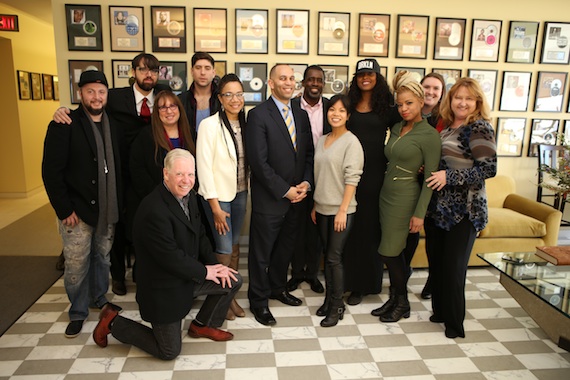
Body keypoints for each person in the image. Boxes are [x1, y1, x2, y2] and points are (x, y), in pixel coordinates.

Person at [92, 149, 242, 360]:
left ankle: (202, 325)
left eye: (191, 174)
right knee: (169, 351)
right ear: (165, 174)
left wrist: (215, 266)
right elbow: (169, 257)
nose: (186, 180)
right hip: (163, 288)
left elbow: (199, 235)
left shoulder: (188, 197)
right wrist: (204, 271)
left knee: (231, 279)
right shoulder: (154, 210)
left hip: (185, 277)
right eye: (179, 174)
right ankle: (113, 322)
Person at [53, 53, 171, 296]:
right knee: (117, 230)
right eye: (142, 69)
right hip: (119, 173)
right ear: (133, 72)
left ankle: (140, 273)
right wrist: (62, 110)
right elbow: (85, 112)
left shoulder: (164, 95)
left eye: (153, 70)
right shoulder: (115, 97)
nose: (148, 74)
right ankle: (117, 278)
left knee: (140, 227)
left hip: (150, 170)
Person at [42, 71, 122, 338]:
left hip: (107, 208)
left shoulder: (113, 124)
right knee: (76, 265)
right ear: (80, 94)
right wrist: (64, 209)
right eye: (90, 91)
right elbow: (51, 172)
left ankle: (99, 298)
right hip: (76, 211)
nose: (96, 97)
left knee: (102, 259)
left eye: (101, 92)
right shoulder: (64, 123)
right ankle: (77, 311)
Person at [425, 78, 497, 339]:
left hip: (464, 211)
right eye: (458, 97)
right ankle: (441, 312)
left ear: (477, 102)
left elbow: (488, 169)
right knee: (438, 265)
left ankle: (455, 324)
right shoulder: (446, 128)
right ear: (450, 99)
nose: (462, 102)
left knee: (454, 269)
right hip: (438, 210)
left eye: (469, 98)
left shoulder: (478, 128)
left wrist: (448, 177)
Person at [245, 64, 314, 326]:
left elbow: (307, 154)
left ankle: (277, 288)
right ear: (270, 83)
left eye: (292, 78)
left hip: (298, 197)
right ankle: (259, 301)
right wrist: (285, 190)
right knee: (261, 253)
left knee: (285, 248)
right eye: (282, 78)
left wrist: (306, 183)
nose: (288, 82)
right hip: (271, 199)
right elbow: (258, 162)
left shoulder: (301, 113)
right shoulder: (258, 115)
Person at [372, 71, 441, 323]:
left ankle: (402, 303)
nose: (403, 108)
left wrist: (419, 214)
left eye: (409, 103)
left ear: (422, 102)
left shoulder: (430, 135)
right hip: (386, 195)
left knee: (390, 253)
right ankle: (394, 299)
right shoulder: (397, 127)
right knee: (393, 253)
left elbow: (431, 179)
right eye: (400, 104)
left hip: (406, 198)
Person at [343, 58, 401, 305]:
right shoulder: (348, 103)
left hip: (375, 175)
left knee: (369, 229)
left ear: (378, 77)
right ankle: (349, 282)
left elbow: (406, 133)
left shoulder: (387, 106)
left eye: (370, 73)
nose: (365, 77)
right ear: (356, 78)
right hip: (347, 173)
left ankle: (367, 285)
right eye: (361, 74)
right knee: (350, 229)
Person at [196, 74, 248, 320]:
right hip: (219, 197)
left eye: (239, 94)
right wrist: (214, 206)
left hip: (240, 192)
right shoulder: (209, 125)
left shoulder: (246, 123)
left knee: (235, 246)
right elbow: (204, 167)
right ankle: (221, 299)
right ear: (220, 98)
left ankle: (231, 296)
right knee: (224, 248)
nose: (235, 99)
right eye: (229, 94)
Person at [312, 95, 364, 327]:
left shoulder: (351, 142)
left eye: (341, 111)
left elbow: (352, 178)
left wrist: (343, 210)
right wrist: (315, 204)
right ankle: (328, 300)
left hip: (341, 209)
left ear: (348, 115)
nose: (336, 114)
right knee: (327, 256)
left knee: (334, 258)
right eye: (332, 109)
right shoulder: (323, 139)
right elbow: (319, 176)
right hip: (321, 207)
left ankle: (337, 305)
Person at [401, 72, 447, 300]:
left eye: (435, 88)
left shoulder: (446, 119)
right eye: (426, 87)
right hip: (411, 186)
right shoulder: (409, 115)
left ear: (442, 93)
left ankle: (433, 281)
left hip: (437, 189)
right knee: (409, 236)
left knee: (433, 241)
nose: (430, 92)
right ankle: (403, 279)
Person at [287, 65, 331, 294]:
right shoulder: (292, 105)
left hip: (325, 176)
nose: (315, 83)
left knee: (316, 228)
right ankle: (296, 273)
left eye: (319, 80)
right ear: (303, 82)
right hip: (298, 176)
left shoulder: (332, 107)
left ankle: (313, 273)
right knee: (296, 226)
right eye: (311, 79)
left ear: (323, 84)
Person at [129, 91, 196, 212]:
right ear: (157, 111)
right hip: (158, 202)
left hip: (187, 198)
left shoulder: (190, 134)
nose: (169, 111)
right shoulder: (146, 136)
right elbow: (137, 170)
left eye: (173, 106)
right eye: (163, 107)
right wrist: (157, 195)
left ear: (179, 108)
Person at [179, 52, 220, 139]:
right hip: (188, 150)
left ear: (213, 73)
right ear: (192, 71)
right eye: (198, 68)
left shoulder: (221, 100)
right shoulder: (180, 100)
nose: (202, 72)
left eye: (207, 68)